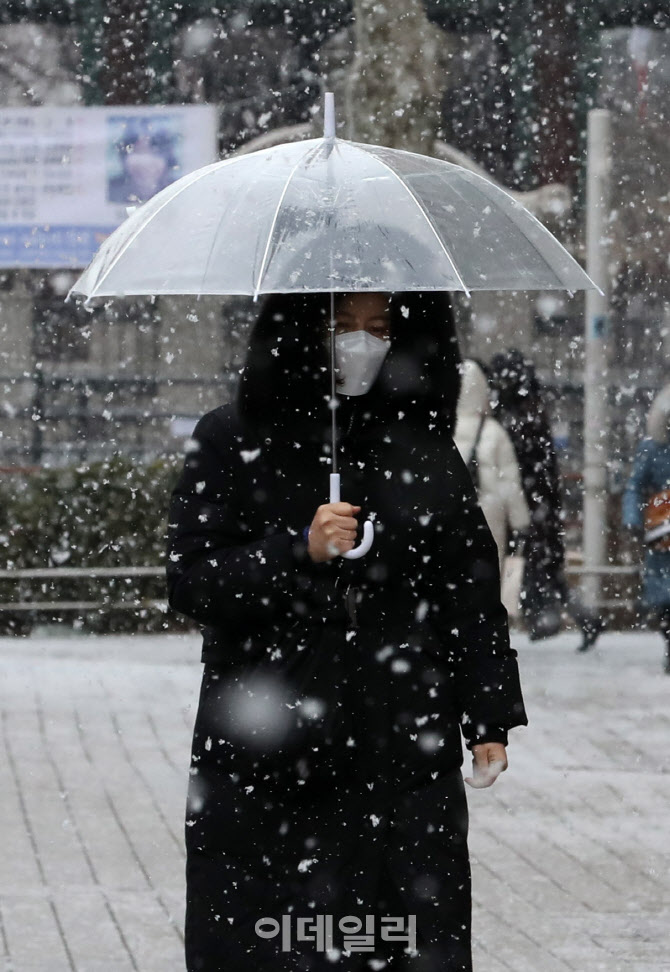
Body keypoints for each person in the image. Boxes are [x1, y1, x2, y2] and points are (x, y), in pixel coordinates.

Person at [166, 291, 528, 972]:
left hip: (399, 744)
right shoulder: (230, 438)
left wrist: (489, 716)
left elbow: (469, 597)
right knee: (275, 941)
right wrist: (298, 550)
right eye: (342, 326)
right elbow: (192, 580)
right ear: (301, 330)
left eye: (380, 328)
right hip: (266, 747)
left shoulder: (426, 455)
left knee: (394, 938)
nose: (361, 344)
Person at [488, 349, 605, 652]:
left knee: (532, 569)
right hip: (541, 506)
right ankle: (581, 619)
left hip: (529, 507)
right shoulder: (533, 412)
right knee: (547, 572)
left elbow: (521, 468)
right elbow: (543, 469)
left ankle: (548, 620)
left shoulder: (513, 417)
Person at [453, 358, 531, 618]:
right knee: (488, 564)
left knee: (452, 564)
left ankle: (456, 617)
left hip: (452, 510)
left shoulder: (442, 427)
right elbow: (510, 481)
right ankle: (485, 620)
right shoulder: (494, 431)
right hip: (489, 510)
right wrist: (520, 522)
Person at [623, 382, 670, 674]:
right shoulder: (652, 448)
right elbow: (635, 486)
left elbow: (633, 486)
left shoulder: (651, 447)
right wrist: (632, 519)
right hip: (662, 527)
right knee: (663, 596)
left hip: (660, 524)